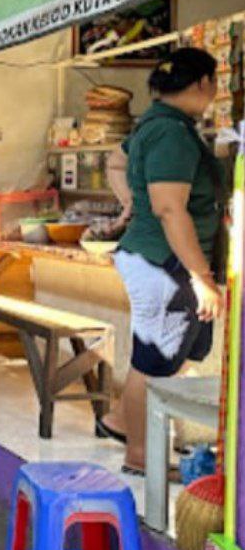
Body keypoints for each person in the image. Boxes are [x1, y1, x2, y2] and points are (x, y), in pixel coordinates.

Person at [99, 48, 224, 476]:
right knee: (153, 363)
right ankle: (140, 457)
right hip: (164, 261)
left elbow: (116, 161)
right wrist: (202, 277)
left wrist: (132, 205)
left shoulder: (155, 123)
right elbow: (171, 210)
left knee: (172, 354)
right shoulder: (171, 133)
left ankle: (123, 422)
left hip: (155, 256)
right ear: (203, 83)